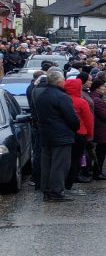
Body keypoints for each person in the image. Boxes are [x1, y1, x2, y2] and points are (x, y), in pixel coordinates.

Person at [29, 68, 79, 202]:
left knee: (47, 164)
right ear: (58, 82)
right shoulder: (62, 97)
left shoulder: (40, 95)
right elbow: (72, 118)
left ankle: (46, 190)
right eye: (63, 80)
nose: (65, 82)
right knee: (59, 165)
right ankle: (56, 192)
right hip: (61, 135)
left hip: (46, 134)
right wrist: (75, 126)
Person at [63, 77, 93, 190]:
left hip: (66, 133)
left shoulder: (63, 99)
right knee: (76, 159)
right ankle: (70, 181)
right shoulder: (81, 101)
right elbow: (88, 120)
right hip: (80, 133)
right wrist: (90, 134)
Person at [88, 79, 106, 181]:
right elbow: (104, 116)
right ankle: (97, 172)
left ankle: (98, 171)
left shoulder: (96, 98)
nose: (104, 88)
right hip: (101, 129)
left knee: (100, 151)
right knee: (100, 152)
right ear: (98, 88)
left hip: (100, 128)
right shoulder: (97, 100)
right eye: (103, 87)